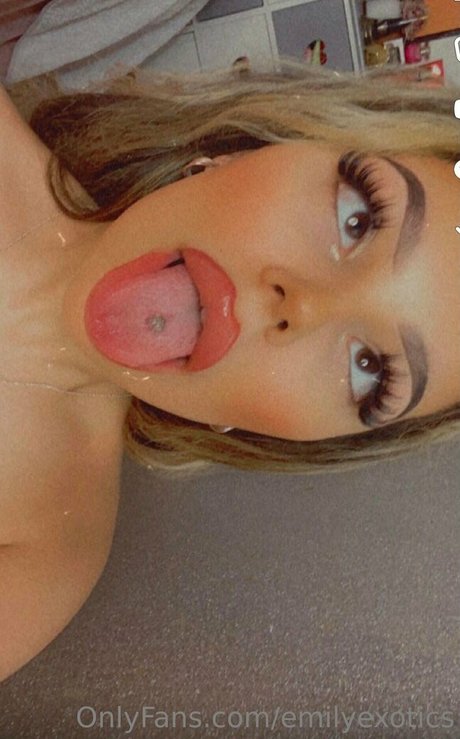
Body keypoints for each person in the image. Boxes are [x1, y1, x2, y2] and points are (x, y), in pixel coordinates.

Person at [0, 57, 459, 681]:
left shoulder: (46, 559)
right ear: (245, 149)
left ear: (272, 436)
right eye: (358, 219)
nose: (306, 306)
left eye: (368, 370)